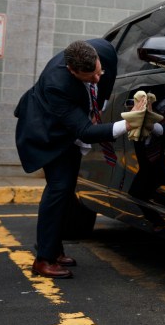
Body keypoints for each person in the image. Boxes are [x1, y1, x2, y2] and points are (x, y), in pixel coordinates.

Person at [14, 39, 152, 279]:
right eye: (89, 77)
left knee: (66, 189)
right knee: (58, 188)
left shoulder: (105, 52)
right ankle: (44, 259)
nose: (97, 79)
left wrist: (100, 104)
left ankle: (53, 248)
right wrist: (129, 123)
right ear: (72, 70)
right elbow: (85, 131)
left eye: (99, 72)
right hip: (47, 131)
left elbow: (103, 86)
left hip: (71, 128)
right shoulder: (57, 85)